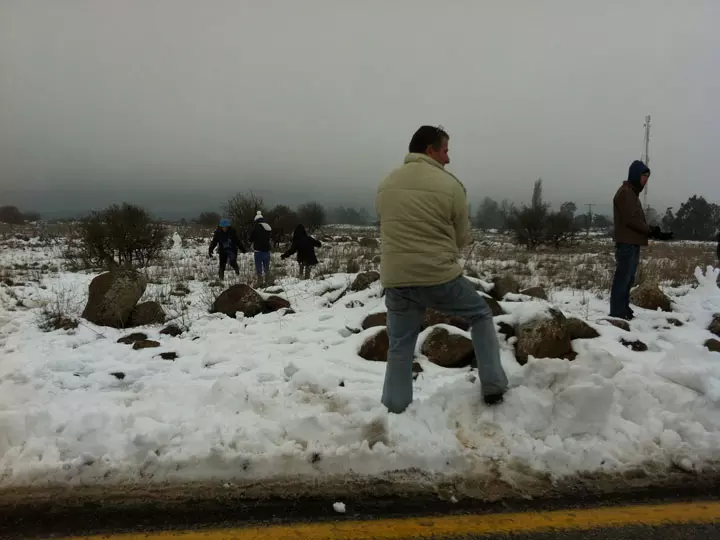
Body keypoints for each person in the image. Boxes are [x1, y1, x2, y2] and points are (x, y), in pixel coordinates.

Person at [375, 125, 508, 414]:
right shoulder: (451, 186)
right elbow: (462, 238)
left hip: (397, 279)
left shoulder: (386, 183)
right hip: (439, 277)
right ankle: (494, 386)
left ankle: (395, 408)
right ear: (429, 150)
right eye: (445, 150)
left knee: (399, 345)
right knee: (481, 315)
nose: (448, 158)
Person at [610, 160, 673, 320]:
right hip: (626, 243)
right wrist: (652, 231)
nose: (645, 180)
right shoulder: (625, 193)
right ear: (634, 175)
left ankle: (623, 308)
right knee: (623, 277)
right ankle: (617, 311)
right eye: (643, 176)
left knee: (629, 277)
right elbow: (631, 220)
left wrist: (654, 232)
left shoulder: (631, 194)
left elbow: (637, 220)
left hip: (632, 242)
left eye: (647, 177)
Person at [249, 211, 273, 283]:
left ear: (256, 220)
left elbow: (251, 239)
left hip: (258, 251)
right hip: (267, 251)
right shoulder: (268, 228)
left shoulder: (256, 228)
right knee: (266, 267)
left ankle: (260, 282)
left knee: (259, 267)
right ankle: (267, 280)